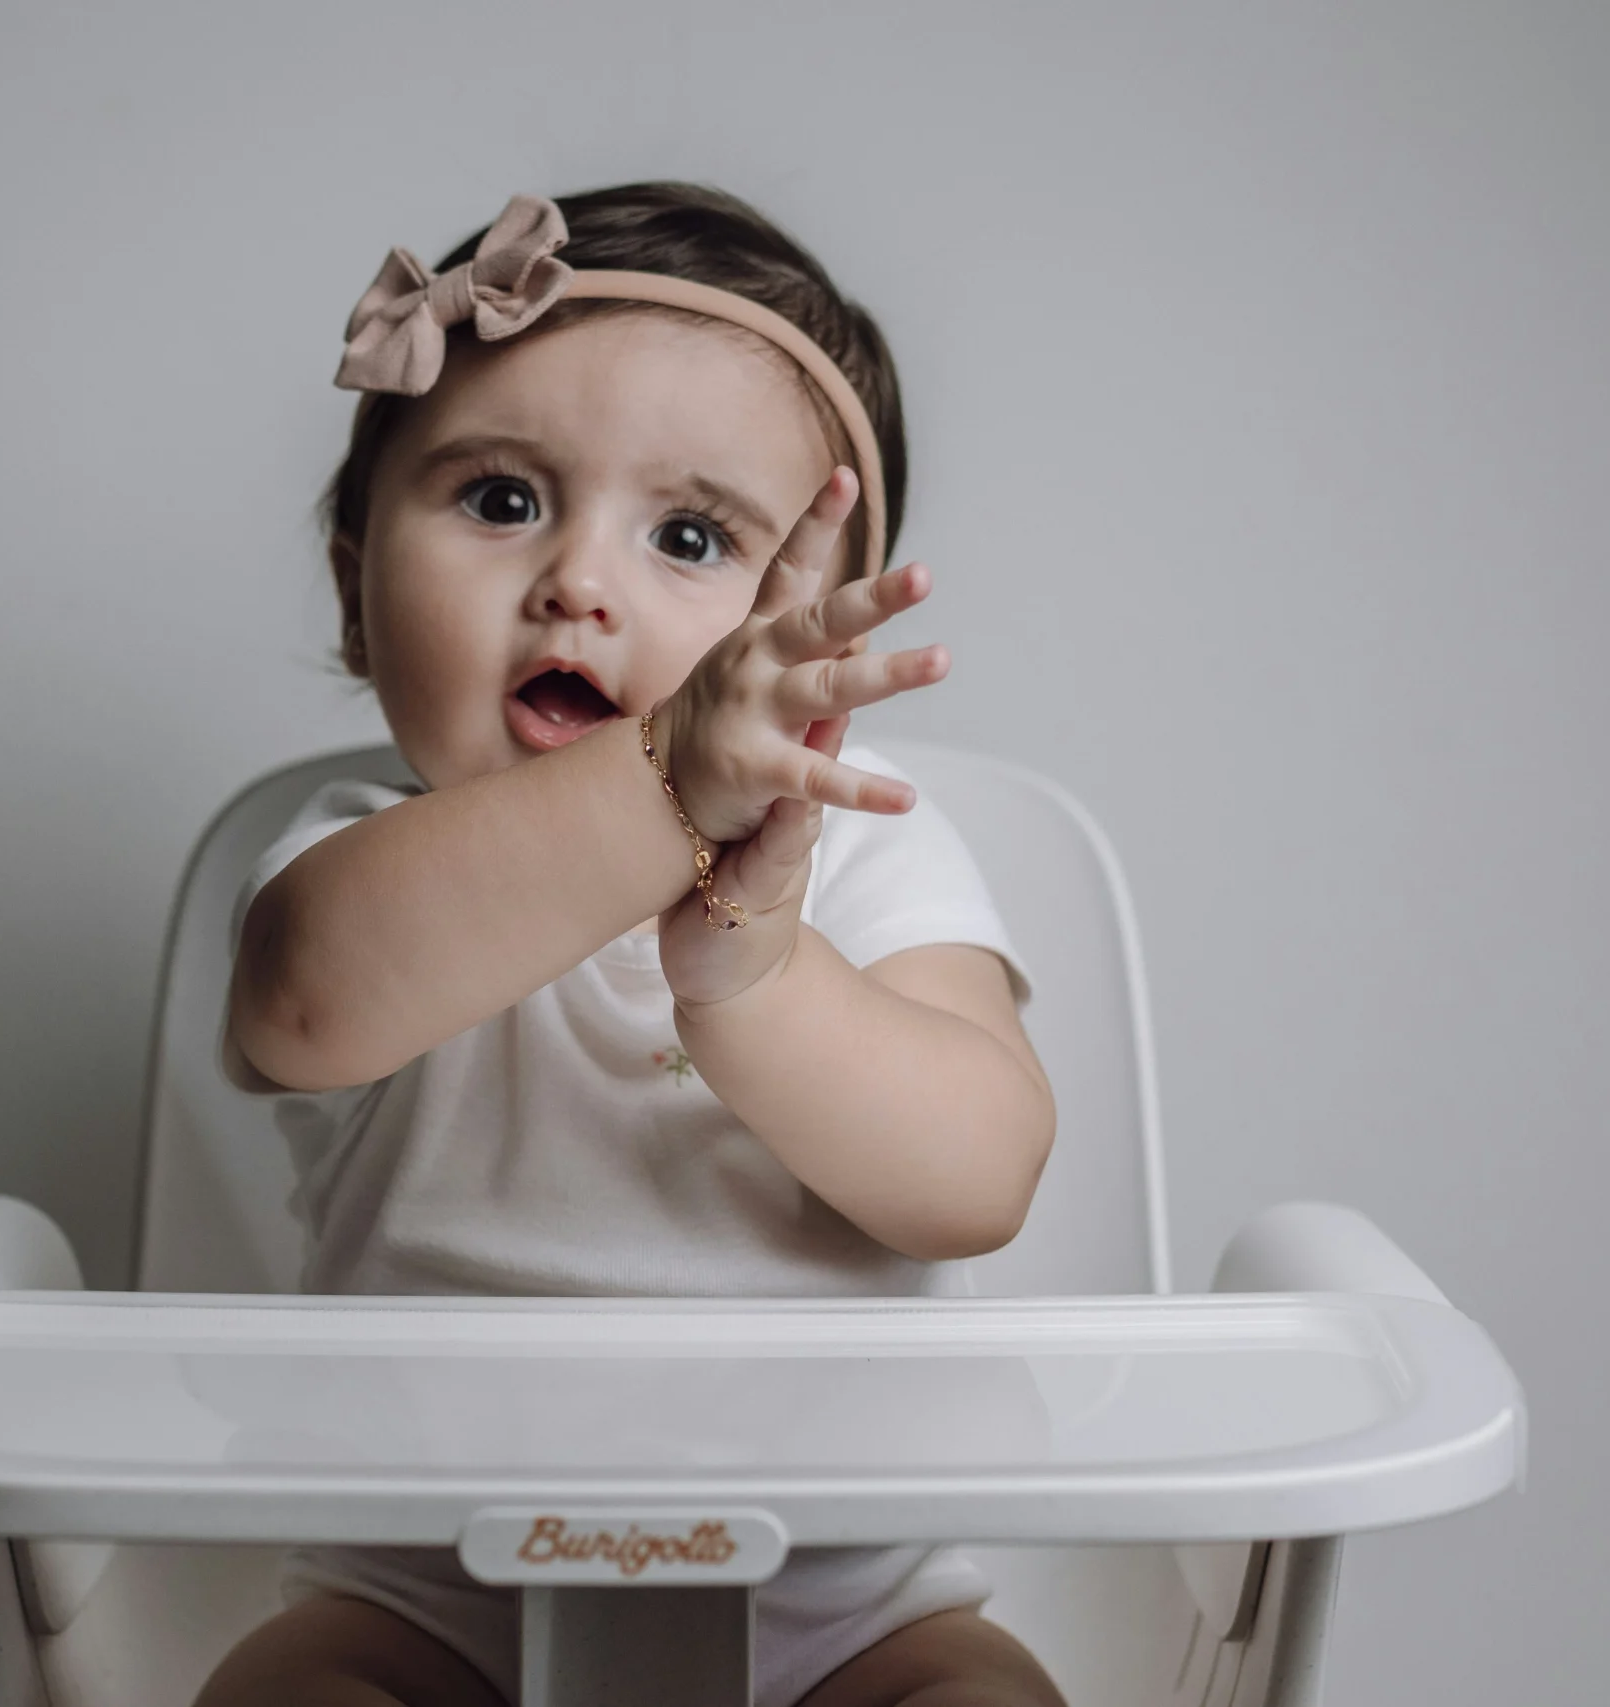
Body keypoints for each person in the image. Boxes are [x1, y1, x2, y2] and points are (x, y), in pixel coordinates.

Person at [197, 182, 1066, 1707]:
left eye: (687, 534)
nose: (578, 582)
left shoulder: (868, 855)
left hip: (845, 1614)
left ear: (822, 643)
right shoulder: (355, 861)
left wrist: (762, 971)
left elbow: (975, 1176)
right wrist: (662, 780)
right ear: (353, 583)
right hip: (422, 1597)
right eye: (501, 499)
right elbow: (305, 999)